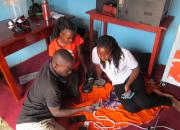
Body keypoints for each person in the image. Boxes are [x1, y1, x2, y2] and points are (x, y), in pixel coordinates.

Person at [92, 35, 180, 113]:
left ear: (112, 50)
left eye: (106, 55)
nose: (102, 58)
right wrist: (98, 80)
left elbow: (136, 69)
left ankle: (169, 101)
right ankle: (153, 94)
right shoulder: (95, 52)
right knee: (132, 108)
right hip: (117, 82)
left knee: (144, 103)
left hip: (132, 76)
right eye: (100, 55)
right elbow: (97, 66)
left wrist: (128, 84)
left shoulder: (124, 54)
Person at [16, 49, 93, 130]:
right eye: (68, 70)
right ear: (56, 66)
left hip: (33, 116)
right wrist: (83, 109)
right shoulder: (52, 88)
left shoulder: (49, 63)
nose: (70, 72)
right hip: (32, 124)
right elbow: (56, 112)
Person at [48, 17, 87, 95]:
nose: (71, 40)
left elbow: (80, 54)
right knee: (58, 91)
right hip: (62, 71)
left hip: (74, 68)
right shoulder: (53, 45)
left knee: (74, 93)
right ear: (61, 34)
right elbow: (53, 64)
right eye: (68, 38)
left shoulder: (76, 38)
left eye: (73, 37)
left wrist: (84, 67)